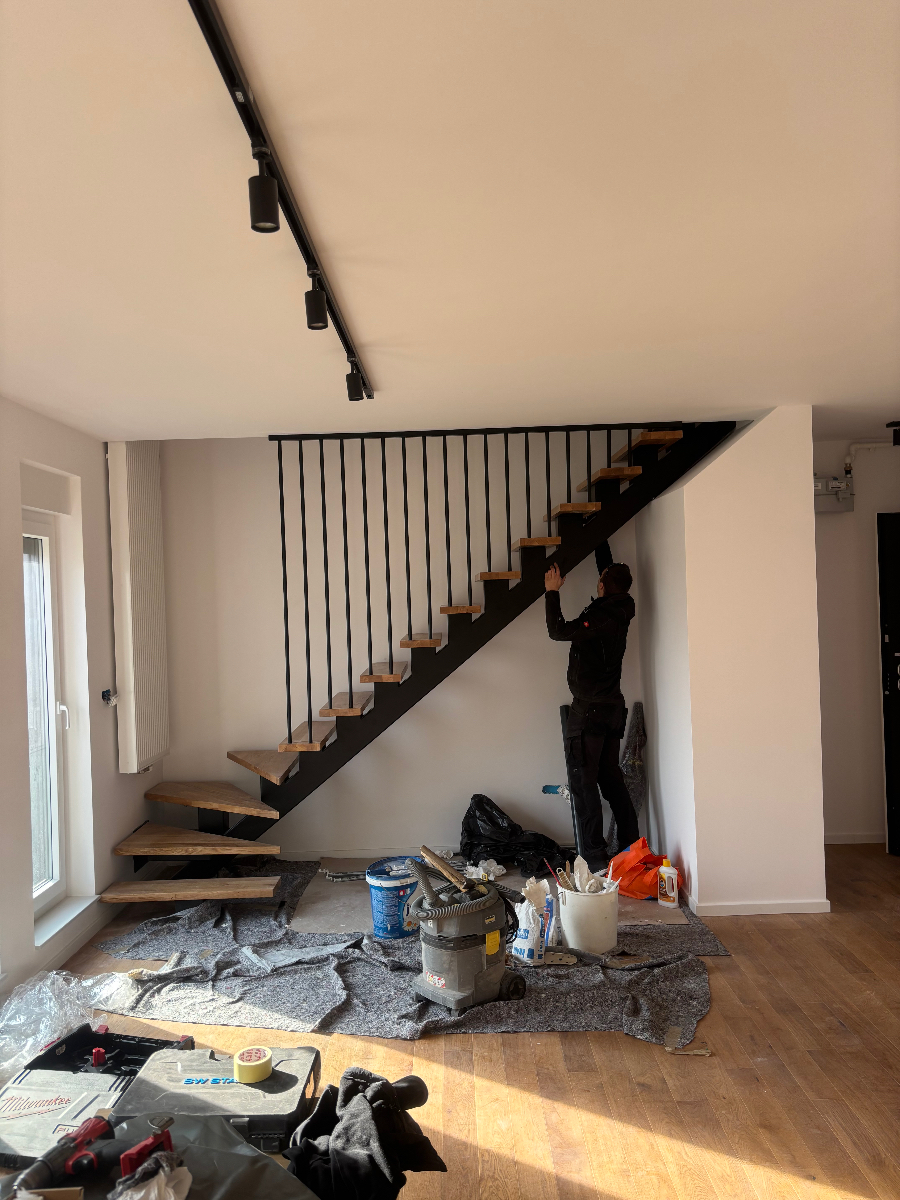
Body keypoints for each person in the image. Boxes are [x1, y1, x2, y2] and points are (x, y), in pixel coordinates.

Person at [544, 541, 638, 870]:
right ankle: (631, 850)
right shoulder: (622, 605)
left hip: (591, 712)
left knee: (584, 785)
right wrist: (599, 535)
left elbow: (558, 631)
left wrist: (552, 591)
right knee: (610, 779)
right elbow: (607, 572)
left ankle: (596, 859)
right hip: (612, 708)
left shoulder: (599, 616)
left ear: (601, 586)